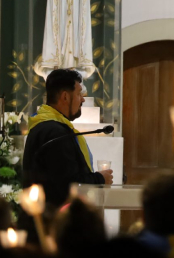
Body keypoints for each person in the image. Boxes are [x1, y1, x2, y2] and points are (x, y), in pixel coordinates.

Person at [22, 69, 113, 206]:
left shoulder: (44, 126)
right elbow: (69, 185)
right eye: (78, 94)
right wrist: (100, 178)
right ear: (65, 97)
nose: (83, 99)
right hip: (55, 215)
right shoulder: (55, 132)